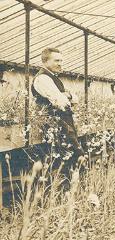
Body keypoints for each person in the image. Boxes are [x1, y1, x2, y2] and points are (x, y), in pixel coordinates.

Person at [31, 47, 85, 176]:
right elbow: (61, 102)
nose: (60, 63)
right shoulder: (43, 78)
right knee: (64, 157)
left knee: (71, 155)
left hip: (61, 123)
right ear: (45, 61)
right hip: (53, 124)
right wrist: (66, 96)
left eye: (61, 60)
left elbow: (75, 99)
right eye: (56, 60)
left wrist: (68, 96)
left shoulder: (53, 78)